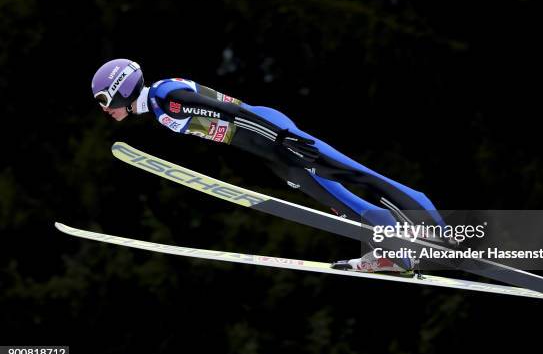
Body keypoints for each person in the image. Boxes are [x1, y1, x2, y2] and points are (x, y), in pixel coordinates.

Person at [91, 58, 443, 274]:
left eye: (104, 100)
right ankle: (394, 255)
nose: (105, 108)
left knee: (351, 172)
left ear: (121, 89)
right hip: (268, 149)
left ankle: (430, 223)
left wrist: (281, 137)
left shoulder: (165, 97)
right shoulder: (156, 108)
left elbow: (235, 113)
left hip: (272, 133)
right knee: (336, 201)